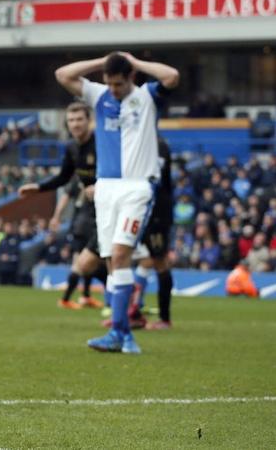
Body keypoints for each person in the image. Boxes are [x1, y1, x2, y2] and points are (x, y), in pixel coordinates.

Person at [56, 51, 179, 354]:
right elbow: (63, 75)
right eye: (109, 83)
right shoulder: (99, 95)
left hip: (137, 188)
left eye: (119, 83)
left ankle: (119, 332)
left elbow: (171, 76)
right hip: (106, 189)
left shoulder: (147, 97)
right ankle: (123, 335)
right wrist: (103, 62)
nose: (113, 89)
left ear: (131, 78)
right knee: (112, 261)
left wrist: (133, 61)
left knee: (122, 253)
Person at [18, 102, 106, 309]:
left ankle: (123, 304)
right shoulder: (72, 148)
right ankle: (122, 305)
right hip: (91, 211)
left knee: (99, 261)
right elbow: (63, 178)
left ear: (89, 120)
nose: (75, 124)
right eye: (71, 120)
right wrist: (38, 188)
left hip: (110, 208)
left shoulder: (102, 144)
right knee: (98, 262)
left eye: (79, 119)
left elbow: (120, 171)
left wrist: (101, 187)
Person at [137, 137, 175, 330]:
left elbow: (155, 179)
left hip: (156, 212)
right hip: (138, 209)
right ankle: (132, 313)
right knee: (126, 257)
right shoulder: (133, 141)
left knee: (159, 261)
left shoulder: (158, 145)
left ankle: (165, 318)